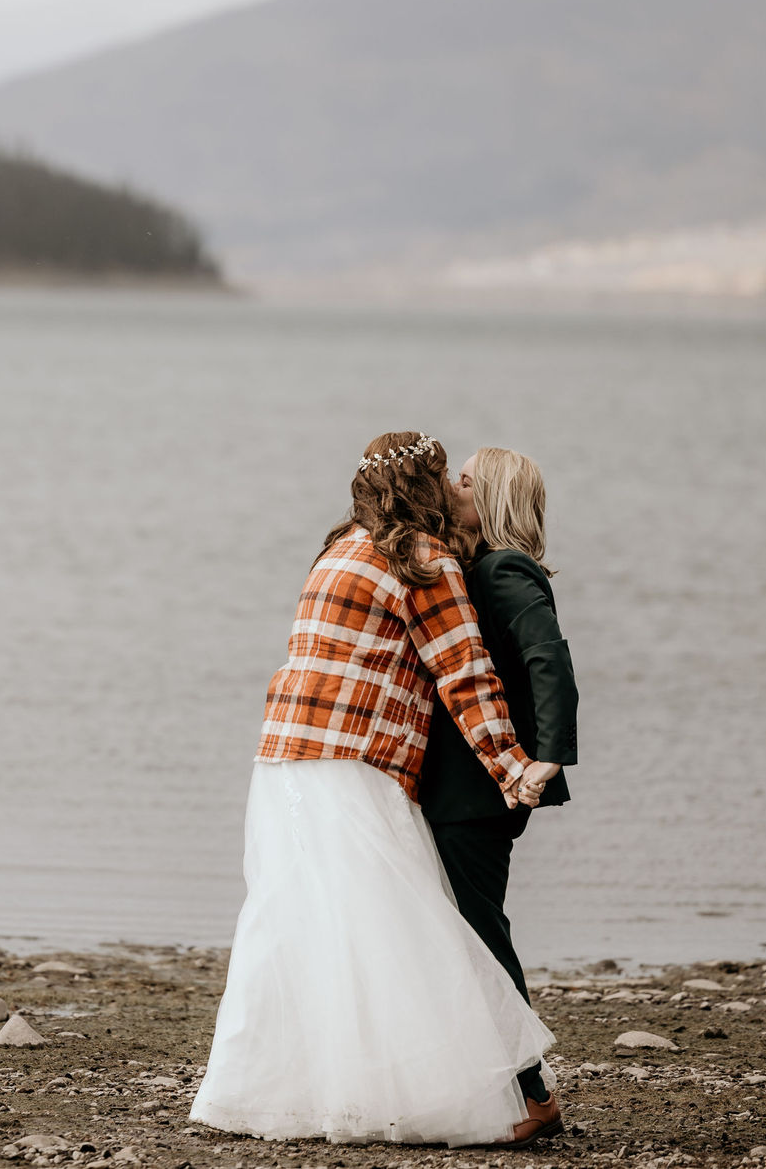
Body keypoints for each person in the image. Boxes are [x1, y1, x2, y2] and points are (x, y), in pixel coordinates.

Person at [189, 432, 561, 1148]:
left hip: (281, 760)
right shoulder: (421, 560)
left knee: (296, 926)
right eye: (449, 477)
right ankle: (461, 1093)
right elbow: (465, 675)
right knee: (408, 929)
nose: (461, 487)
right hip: (355, 759)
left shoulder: (338, 550)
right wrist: (516, 767)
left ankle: (271, 1093)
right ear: (424, 486)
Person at [418, 446, 579, 1136]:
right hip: (464, 788)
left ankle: (534, 1094)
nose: (452, 484)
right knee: (464, 930)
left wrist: (548, 759)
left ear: (488, 496)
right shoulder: (471, 566)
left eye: (462, 478)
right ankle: (498, 1085)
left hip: (479, 793)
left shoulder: (502, 569)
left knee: (482, 934)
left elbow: (550, 657)